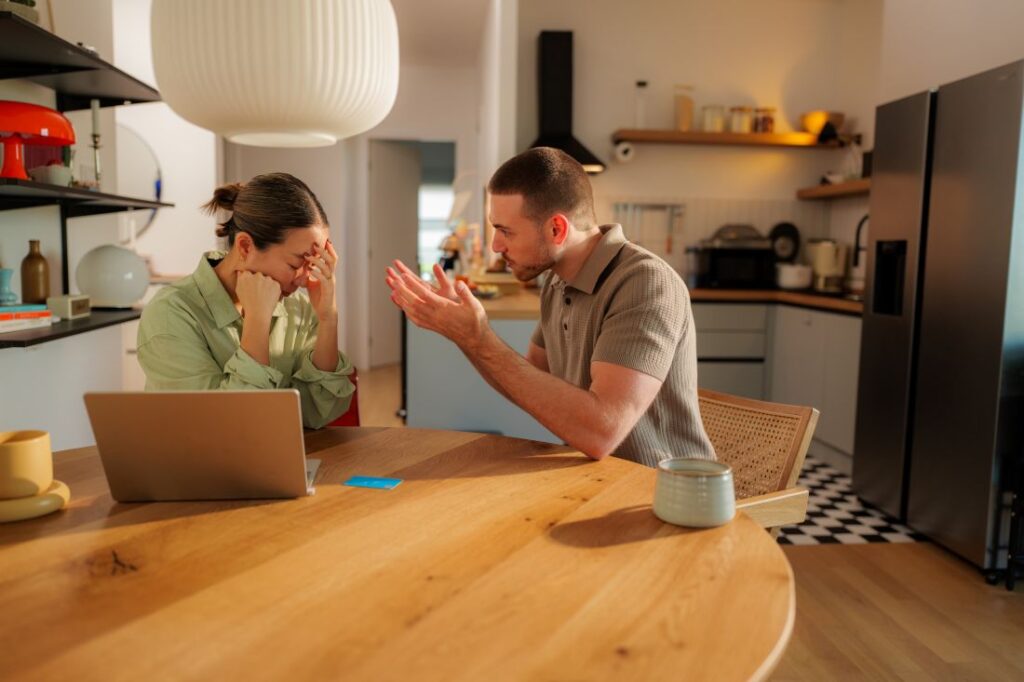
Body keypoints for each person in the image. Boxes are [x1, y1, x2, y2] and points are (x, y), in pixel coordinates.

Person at [386, 147, 714, 467]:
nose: (496, 246)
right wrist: (463, 334)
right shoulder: (557, 282)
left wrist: (478, 338)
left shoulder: (644, 283)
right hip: (595, 481)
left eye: (505, 231)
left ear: (557, 229)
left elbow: (602, 432)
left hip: (664, 496)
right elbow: (527, 381)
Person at [137, 172, 355, 429]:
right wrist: (258, 321)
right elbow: (225, 427)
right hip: (196, 466)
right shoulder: (171, 314)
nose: (305, 280)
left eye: (315, 264)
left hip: (284, 459)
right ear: (245, 247)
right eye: (296, 263)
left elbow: (316, 413)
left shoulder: (299, 308)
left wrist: (328, 318)